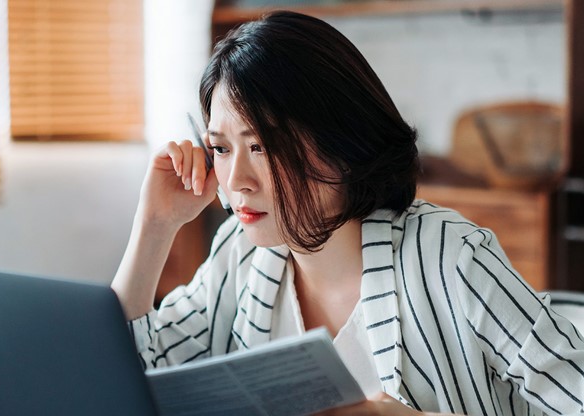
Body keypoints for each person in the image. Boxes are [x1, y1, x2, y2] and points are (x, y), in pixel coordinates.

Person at [111, 10, 584, 415]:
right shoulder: (241, 256)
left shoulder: (451, 256)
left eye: (261, 146)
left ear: (342, 144)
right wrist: (154, 226)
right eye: (220, 148)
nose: (236, 181)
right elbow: (118, 375)